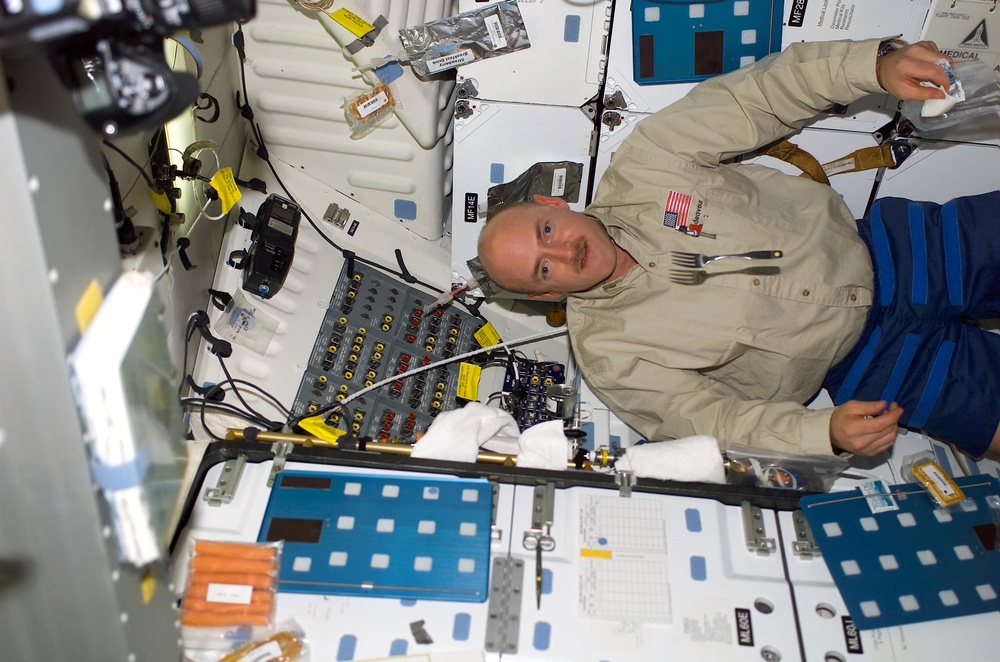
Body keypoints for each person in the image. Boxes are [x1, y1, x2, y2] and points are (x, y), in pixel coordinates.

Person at [477, 38, 999, 459]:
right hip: (879, 369)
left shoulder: (649, 163)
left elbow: (760, 94)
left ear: (553, 204)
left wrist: (875, 66)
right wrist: (821, 435)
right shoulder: (612, 361)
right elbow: (712, 425)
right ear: (546, 299)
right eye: (544, 270)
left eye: (547, 232)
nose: (566, 254)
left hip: (910, 248)